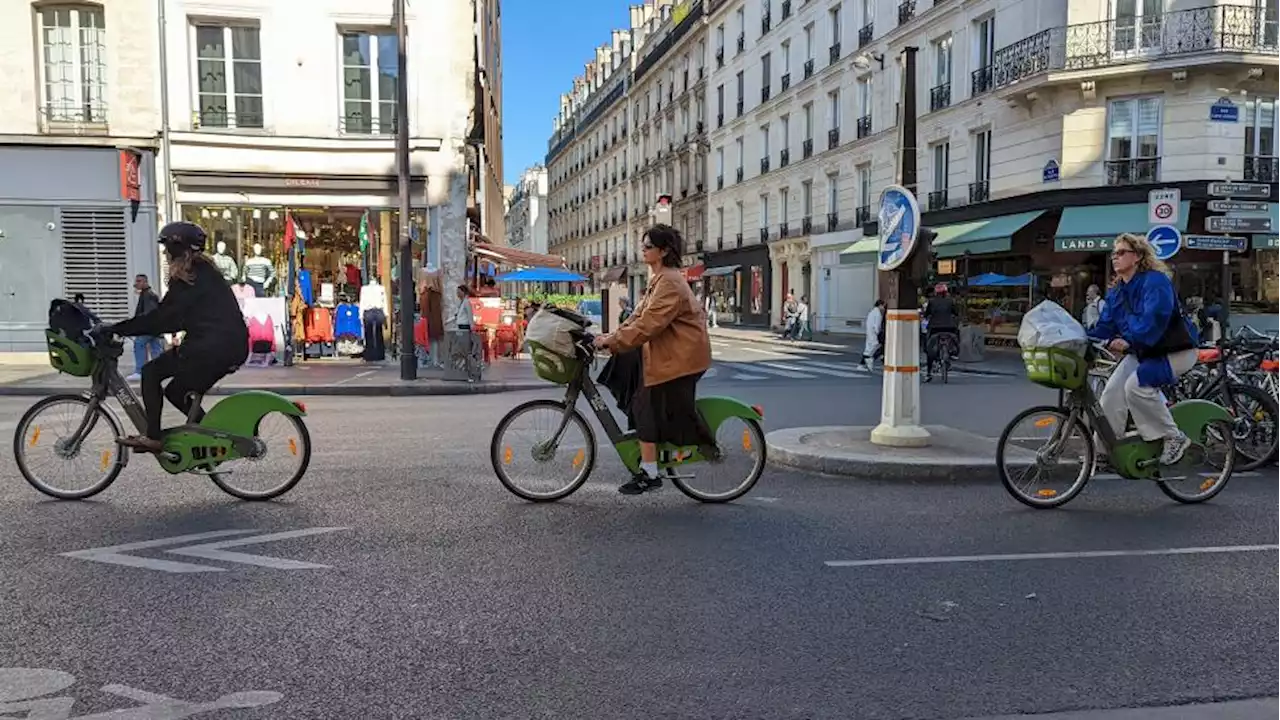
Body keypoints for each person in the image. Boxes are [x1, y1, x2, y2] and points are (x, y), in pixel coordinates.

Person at [593, 224, 718, 495]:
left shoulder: (670, 281)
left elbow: (649, 324)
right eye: (643, 245)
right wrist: (611, 336)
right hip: (667, 353)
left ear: (663, 251)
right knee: (634, 389)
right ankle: (651, 458)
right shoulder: (659, 279)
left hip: (680, 358)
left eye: (648, 246)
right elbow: (638, 317)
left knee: (645, 405)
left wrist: (613, 342)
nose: (643, 249)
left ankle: (650, 473)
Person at [106, 222, 250, 452]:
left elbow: (163, 319)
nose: (164, 253)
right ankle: (212, 440)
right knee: (175, 392)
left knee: (151, 372)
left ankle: (153, 437)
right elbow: (171, 318)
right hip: (225, 346)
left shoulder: (189, 277)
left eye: (167, 249)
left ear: (178, 249)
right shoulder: (202, 273)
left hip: (213, 347)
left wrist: (116, 328)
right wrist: (122, 327)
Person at [1088, 232, 1198, 466]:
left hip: (1173, 351)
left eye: (1121, 253)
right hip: (1143, 351)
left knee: (1135, 387)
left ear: (1137, 256)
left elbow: (1155, 319)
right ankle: (1106, 449)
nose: (1114, 258)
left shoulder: (1155, 281)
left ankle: (1173, 437)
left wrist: (1129, 341)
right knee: (1111, 394)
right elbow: (1105, 326)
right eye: (1113, 254)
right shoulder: (1117, 292)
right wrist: (1078, 337)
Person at [126, 274, 164, 382]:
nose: (136, 284)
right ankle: (160, 370)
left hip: (149, 328)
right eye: (136, 281)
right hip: (155, 328)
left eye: (139, 281)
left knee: (139, 344)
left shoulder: (148, 295)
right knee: (156, 349)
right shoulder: (147, 294)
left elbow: (148, 313)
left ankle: (140, 371)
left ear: (145, 282)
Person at [922, 283, 960, 382]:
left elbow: (927, 314)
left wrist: (926, 316)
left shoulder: (932, 301)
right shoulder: (950, 301)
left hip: (934, 327)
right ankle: (955, 352)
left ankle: (928, 373)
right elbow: (956, 312)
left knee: (928, 348)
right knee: (956, 335)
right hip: (949, 326)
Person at [863, 299, 885, 371]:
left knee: (870, 348)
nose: (883, 308)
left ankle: (867, 362)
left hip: (870, 332)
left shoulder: (872, 312)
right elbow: (877, 325)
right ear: (880, 305)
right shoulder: (878, 313)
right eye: (883, 306)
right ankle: (868, 361)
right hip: (874, 333)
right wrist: (878, 332)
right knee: (874, 348)